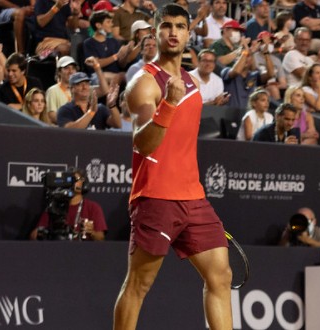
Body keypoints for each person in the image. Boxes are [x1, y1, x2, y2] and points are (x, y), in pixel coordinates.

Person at [113, 5, 232, 329]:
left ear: (188, 33)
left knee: (220, 275)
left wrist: (176, 101)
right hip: (156, 196)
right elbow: (143, 143)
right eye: (167, 26)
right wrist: (168, 104)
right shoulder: (145, 83)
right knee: (139, 284)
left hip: (193, 196)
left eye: (180, 26)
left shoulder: (191, 81)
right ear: (156, 32)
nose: (174, 32)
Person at [31, 168, 107, 241]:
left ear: (84, 184)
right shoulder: (54, 204)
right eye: (70, 179)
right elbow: (33, 236)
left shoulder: (93, 207)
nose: (73, 183)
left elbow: (100, 238)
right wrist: (43, 233)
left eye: (76, 180)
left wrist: (92, 232)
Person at [45, 55, 109, 124]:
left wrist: (97, 67)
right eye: (66, 68)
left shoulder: (83, 89)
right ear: (59, 72)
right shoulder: (52, 90)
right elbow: (52, 116)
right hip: (63, 131)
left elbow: (104, 90)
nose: (70, 71)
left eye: (73, 68)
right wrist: (75, 121)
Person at [56, 72, 121, 129]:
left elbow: (117, 124)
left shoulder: (100, 109)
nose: (84, 87)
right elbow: (69, 131)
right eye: (79, 84)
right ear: (71, 89)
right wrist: (91, 112)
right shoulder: (65, 110)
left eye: (86, 83)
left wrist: (112, 106)